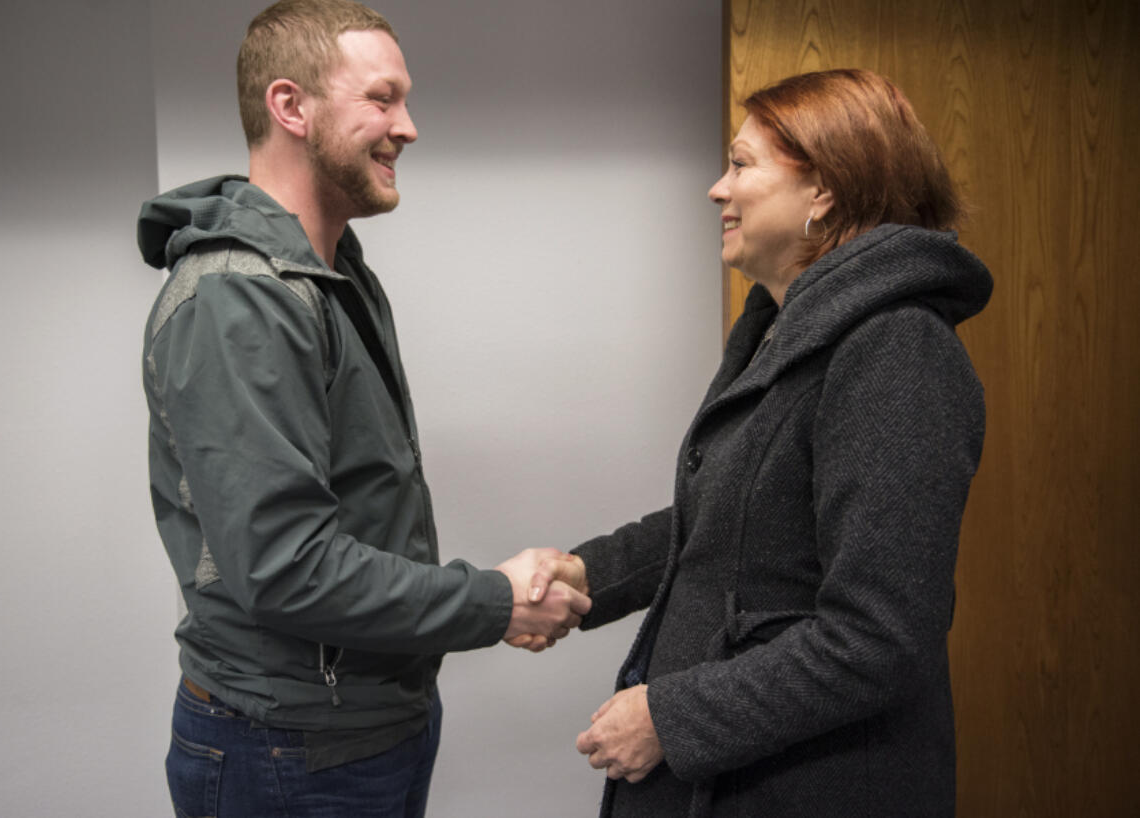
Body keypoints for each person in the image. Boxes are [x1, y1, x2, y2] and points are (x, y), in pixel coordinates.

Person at [136, 2, 588, 816]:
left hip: (358, 728)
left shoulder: (328, 270)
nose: (406, 126)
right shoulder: (241, 298)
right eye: (381, 99)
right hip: (289, 749)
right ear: (290, 107)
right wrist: (492, 600)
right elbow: (287, 565)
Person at [526, 68, 993, 817]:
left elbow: (880, 637)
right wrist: (585, 577)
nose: (718, 188)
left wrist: (671, 719)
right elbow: (729, 522)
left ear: (824, 191)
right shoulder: (786, 330)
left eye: (741, 165)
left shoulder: (898, 350)